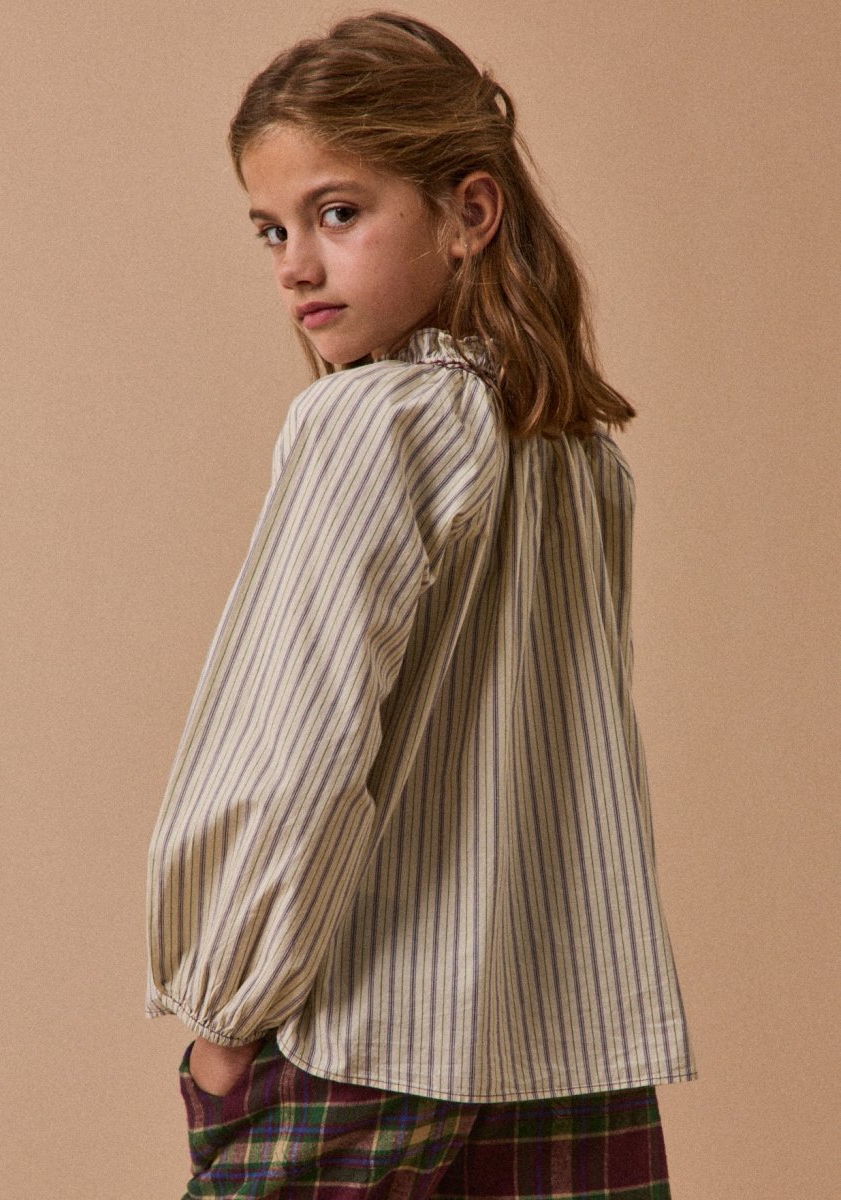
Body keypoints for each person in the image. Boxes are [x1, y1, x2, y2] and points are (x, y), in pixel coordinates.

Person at [145, 10, 697, 1197]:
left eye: (337, 213)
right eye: (271, 228)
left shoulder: (368, 423)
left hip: (366, 1035)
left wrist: (222, 1016)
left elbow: (293, 748)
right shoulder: (573, 455)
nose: (294, 264)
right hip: (563, 1048)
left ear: (467, 213)